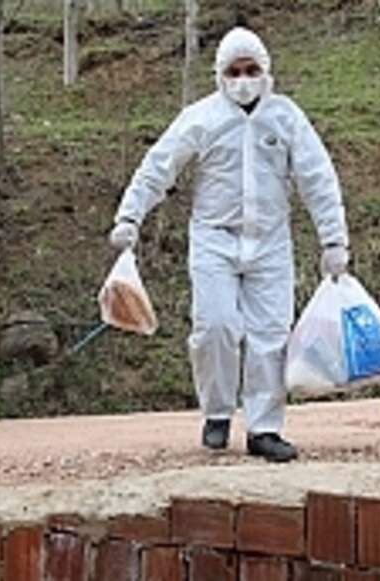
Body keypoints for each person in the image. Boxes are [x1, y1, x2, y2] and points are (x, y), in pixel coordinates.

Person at [109, 27, 350, 462]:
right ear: (220, 75)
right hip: (214, 239)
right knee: (215, 327)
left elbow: (317, 178)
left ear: (265, 71)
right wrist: (130, 216)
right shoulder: (201, 118)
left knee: (270, 337)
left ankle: (264, 428)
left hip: (271, 242)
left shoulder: (286, 117)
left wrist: (333, 240)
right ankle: (217, 412)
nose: (243, 79)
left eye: (251, 70)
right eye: (234, 71)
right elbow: (159, 166)